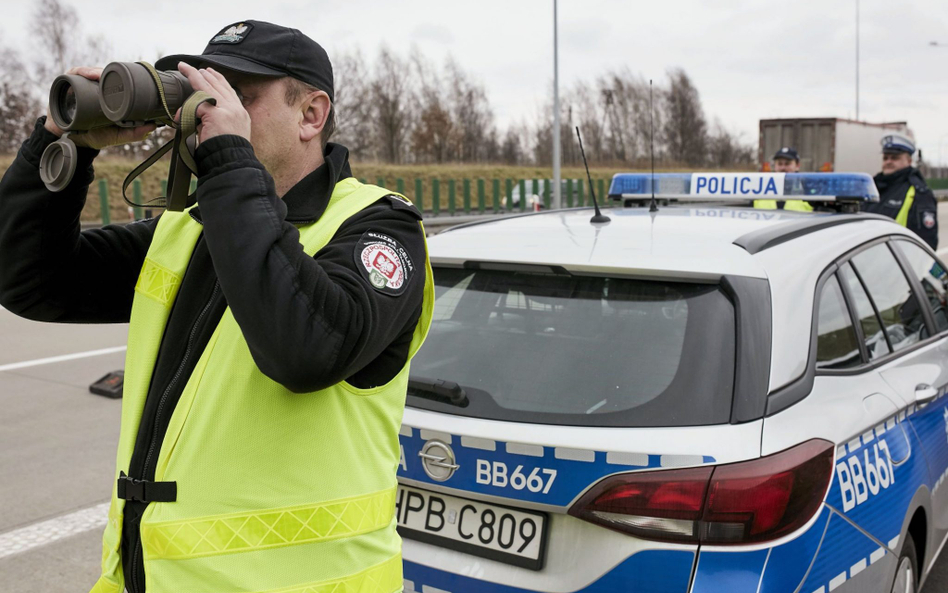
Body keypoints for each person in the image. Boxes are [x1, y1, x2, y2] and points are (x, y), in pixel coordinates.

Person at [0, 20, 432, 593]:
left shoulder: (378, 229)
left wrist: (231, 162)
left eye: (239, 98)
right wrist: (62, 147)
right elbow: (30, 278)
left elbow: (306, 348)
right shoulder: (192, 229)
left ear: (312, 114)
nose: (207, 113)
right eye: (203, 94)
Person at [862, 134, 938, 250]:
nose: (888, 161)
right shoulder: (873, 187)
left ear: (909, 161)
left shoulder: (919, 193)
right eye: (885, 158)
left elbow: (926, 243)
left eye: (895, 158)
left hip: (896, 263)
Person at [754, 147, 813, 211]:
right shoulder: (761, 187)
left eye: (787, 163)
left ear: (797, 166)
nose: (783, 168)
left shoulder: (808, 188)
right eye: (779, 164)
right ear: (775, 165)